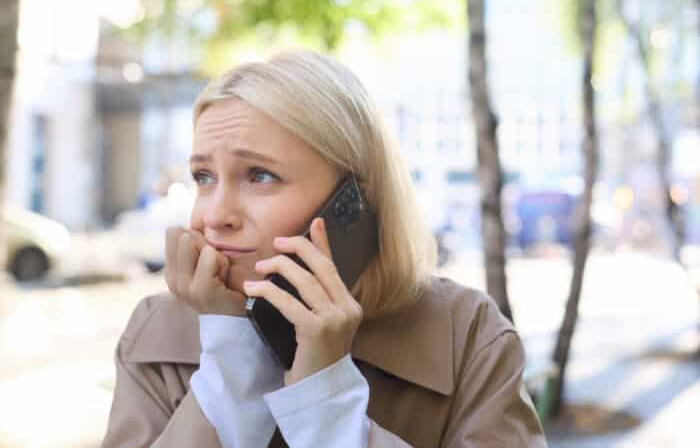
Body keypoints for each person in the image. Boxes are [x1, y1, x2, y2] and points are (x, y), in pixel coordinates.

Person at [101, 50, 547, 448]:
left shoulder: (465, 334)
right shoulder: (156, 332)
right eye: (203, 177)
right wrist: (231, 364)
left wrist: (327, 406)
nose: (214, 216)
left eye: (259, 175)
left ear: (352, 202)